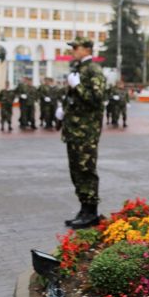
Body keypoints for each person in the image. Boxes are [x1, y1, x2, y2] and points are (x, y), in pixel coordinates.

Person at [56, 36, 106, 229]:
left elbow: (96, 99)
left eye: (75, 47)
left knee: (86, 170)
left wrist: (78, 86)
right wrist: (63, 109)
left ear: (87, 49)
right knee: (76, 170)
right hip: (74, 130)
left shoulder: (93, 69)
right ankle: (84, 209)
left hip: (86, 131)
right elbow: (75, 98)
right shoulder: (78, 68)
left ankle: (91, 212)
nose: (73, 51)